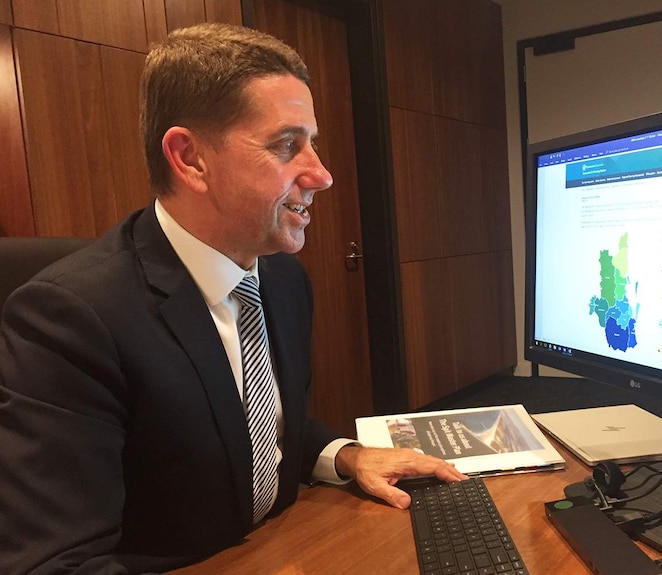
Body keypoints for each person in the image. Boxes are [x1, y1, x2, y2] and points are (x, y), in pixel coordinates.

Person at [0, 22, 466, 574]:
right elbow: (55, 565)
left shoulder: (284, 282)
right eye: (287, 146)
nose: (322, 175)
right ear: (190, 158)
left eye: (313, 144)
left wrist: (343, 455)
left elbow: (247, 428)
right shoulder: (69, 319)